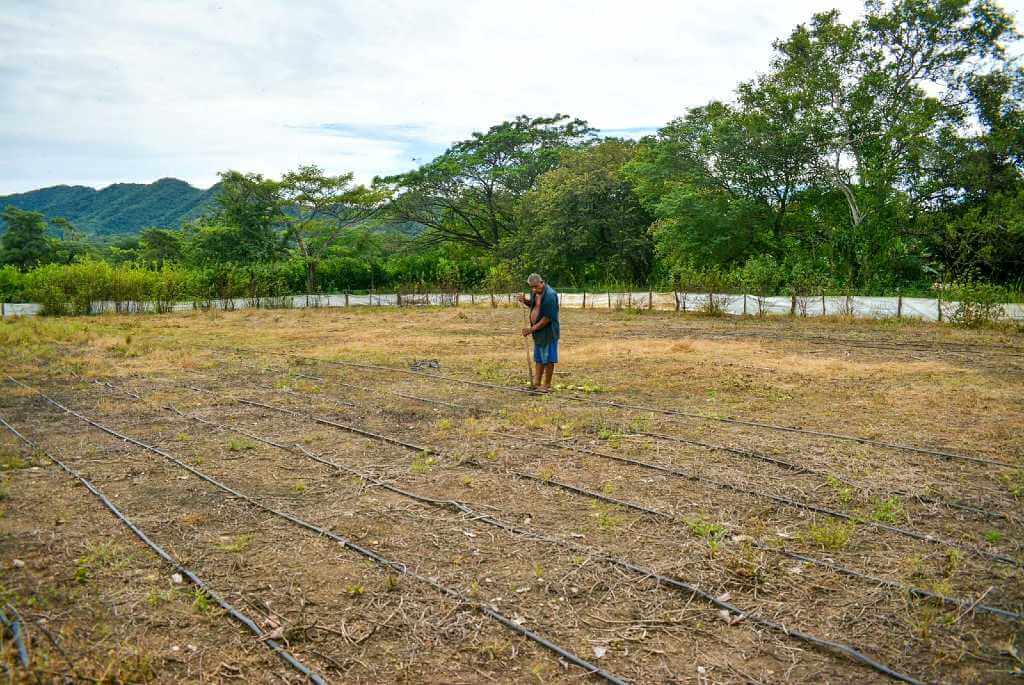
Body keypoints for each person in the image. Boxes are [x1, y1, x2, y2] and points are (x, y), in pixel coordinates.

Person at [517, 273, 560, 392]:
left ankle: (546, 385)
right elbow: (534, 305)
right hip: (538, 332)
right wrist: (525, 301)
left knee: (548, 359)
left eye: (536, 286)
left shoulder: (550, 296)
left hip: (548, 332)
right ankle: (536, 383)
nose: (534, 289)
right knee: (539, 358)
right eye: (532, 287)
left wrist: (531, 329)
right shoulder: (535, 292)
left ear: (542, 282)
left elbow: (547, 318)